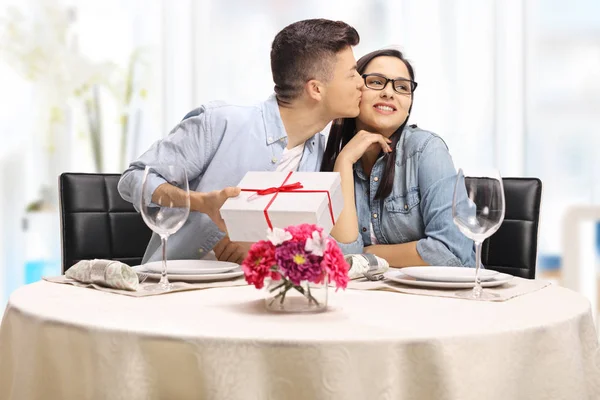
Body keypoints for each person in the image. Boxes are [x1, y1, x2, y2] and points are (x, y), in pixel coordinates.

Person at [118, 19, 363, 264]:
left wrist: (267, 250)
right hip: (176, 285)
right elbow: (134, 178)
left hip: (261, 293)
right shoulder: (222, 121)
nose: (361, 83)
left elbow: (337, 249)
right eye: (352, 74)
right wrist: (202, 203)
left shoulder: (321, 153)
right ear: (316, 89)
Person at [321, 48, 475, 267]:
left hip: (450, 296)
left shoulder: (427, 150)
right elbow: (339, 259)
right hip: (375, 297)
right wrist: (344, 163)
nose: (389, 93)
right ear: (355, 90)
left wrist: (367, 253)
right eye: (376, 82)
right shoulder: (333, 159)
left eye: (402, 87)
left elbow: (449, 252)